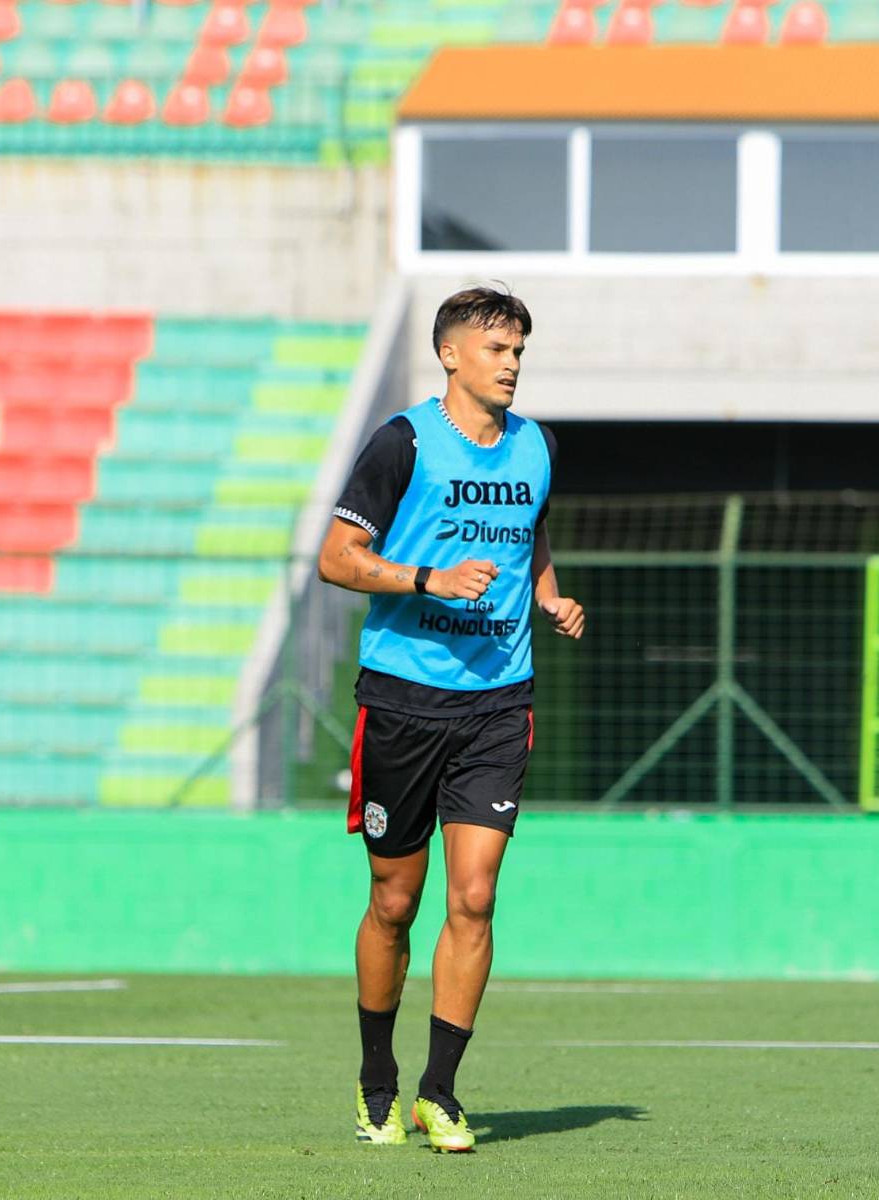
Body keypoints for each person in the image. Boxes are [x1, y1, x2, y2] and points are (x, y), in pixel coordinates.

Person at [317, 286, 585, 1153]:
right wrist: (426, 578)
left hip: (500, 703)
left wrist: (548, 596)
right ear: (451, 355)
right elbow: (337, 559)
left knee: (474, 895)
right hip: (401, 700)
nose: (511, 364)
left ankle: (440, 1090)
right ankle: (375, 1081)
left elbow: (529, 541)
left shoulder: (537, 446)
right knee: (395, 900)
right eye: (497, 349)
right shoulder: (403, 444)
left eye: (519, 351)